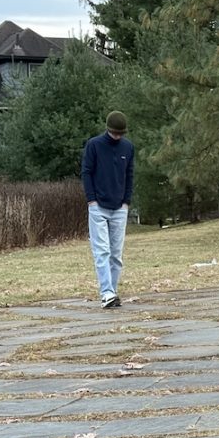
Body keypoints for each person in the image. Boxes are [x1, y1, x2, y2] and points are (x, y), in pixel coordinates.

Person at [82, 111, 134, 308]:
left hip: (120, 207)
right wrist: (91, 200)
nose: (117, 137)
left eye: (120, 134)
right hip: (98, 207)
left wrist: (126, 201)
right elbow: (86, 172)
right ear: (108, 129)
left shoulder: (128, 148)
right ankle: (106, 293)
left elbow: (129, 174)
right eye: (114, 133)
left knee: (116, 254)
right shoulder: (94, 145)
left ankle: (111, 292)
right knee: (102, 250)